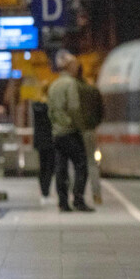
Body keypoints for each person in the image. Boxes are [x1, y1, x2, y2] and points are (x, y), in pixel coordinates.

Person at [47, 51, 95, 213]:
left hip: (57, 133)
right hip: (70, 131)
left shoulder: (54, 85)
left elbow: (50, 111)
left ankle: (63, 202)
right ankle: (78, 199)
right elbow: (74, 107)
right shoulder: (71, 84)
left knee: (61, 168)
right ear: (69, 67)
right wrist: (81, 126)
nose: (77, 68)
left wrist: (56, 126)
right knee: (81, 165)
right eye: (74, 65)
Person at [76, 63, 104, 205]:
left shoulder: (74, 89)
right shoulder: (93, 90)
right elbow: (101, 112)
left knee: (74, 163)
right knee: (92, 163)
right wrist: (93, 124)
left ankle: (75, 194)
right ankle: (96, 194)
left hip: (75, 131)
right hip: (90, 130)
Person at [32, 82, 56, 205]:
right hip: (51, 140)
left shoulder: (36, 106)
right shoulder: (51, 106)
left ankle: (44, 190)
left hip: (40, 141)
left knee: (42, 166)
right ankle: (46, 189)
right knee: (50, 167)